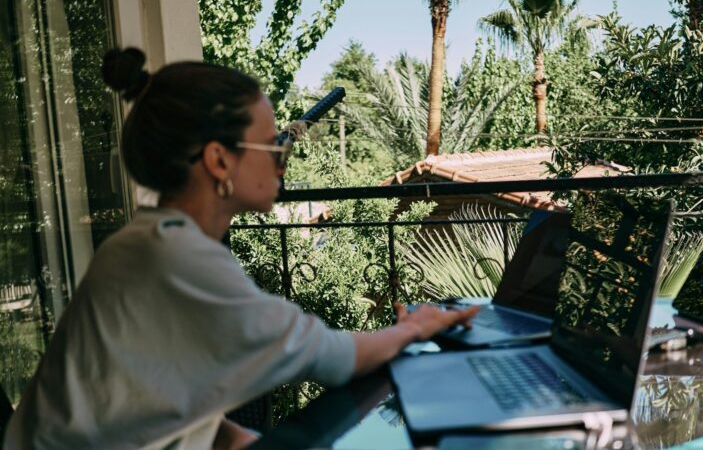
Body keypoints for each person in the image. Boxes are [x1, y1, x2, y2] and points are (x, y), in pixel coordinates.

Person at [3, 48, 478, 449]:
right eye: (272, 146)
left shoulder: (149, 244)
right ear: (218, 159)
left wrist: (238, 440)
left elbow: (150, 395)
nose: (282, 161)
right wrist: (417, 327)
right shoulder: (174, 257)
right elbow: (328, 356)